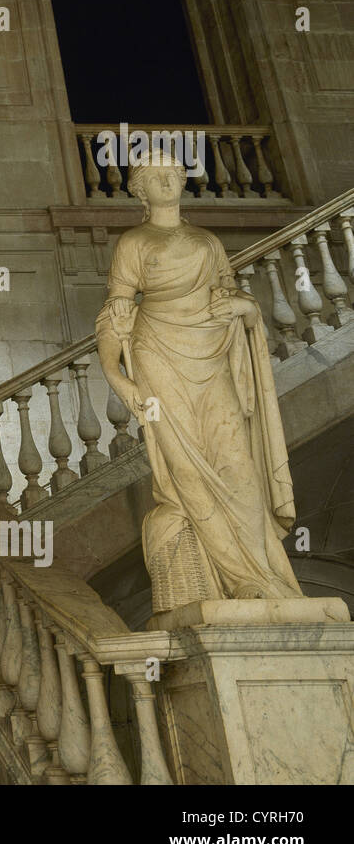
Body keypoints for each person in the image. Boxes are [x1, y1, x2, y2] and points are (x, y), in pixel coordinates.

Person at [95, 149, 303, 615]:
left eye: (173, 173)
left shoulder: (208, 242)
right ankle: (239, 580)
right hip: (157, 354)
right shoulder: (133, 242)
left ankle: (264, 573)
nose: (168, 181)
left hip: (212, 355)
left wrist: (247, 310)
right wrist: (119, 378)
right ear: (140, 190)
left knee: (238, 467)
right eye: (155, 176)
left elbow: (232, 296)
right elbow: (115, 317)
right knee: (187, 474)